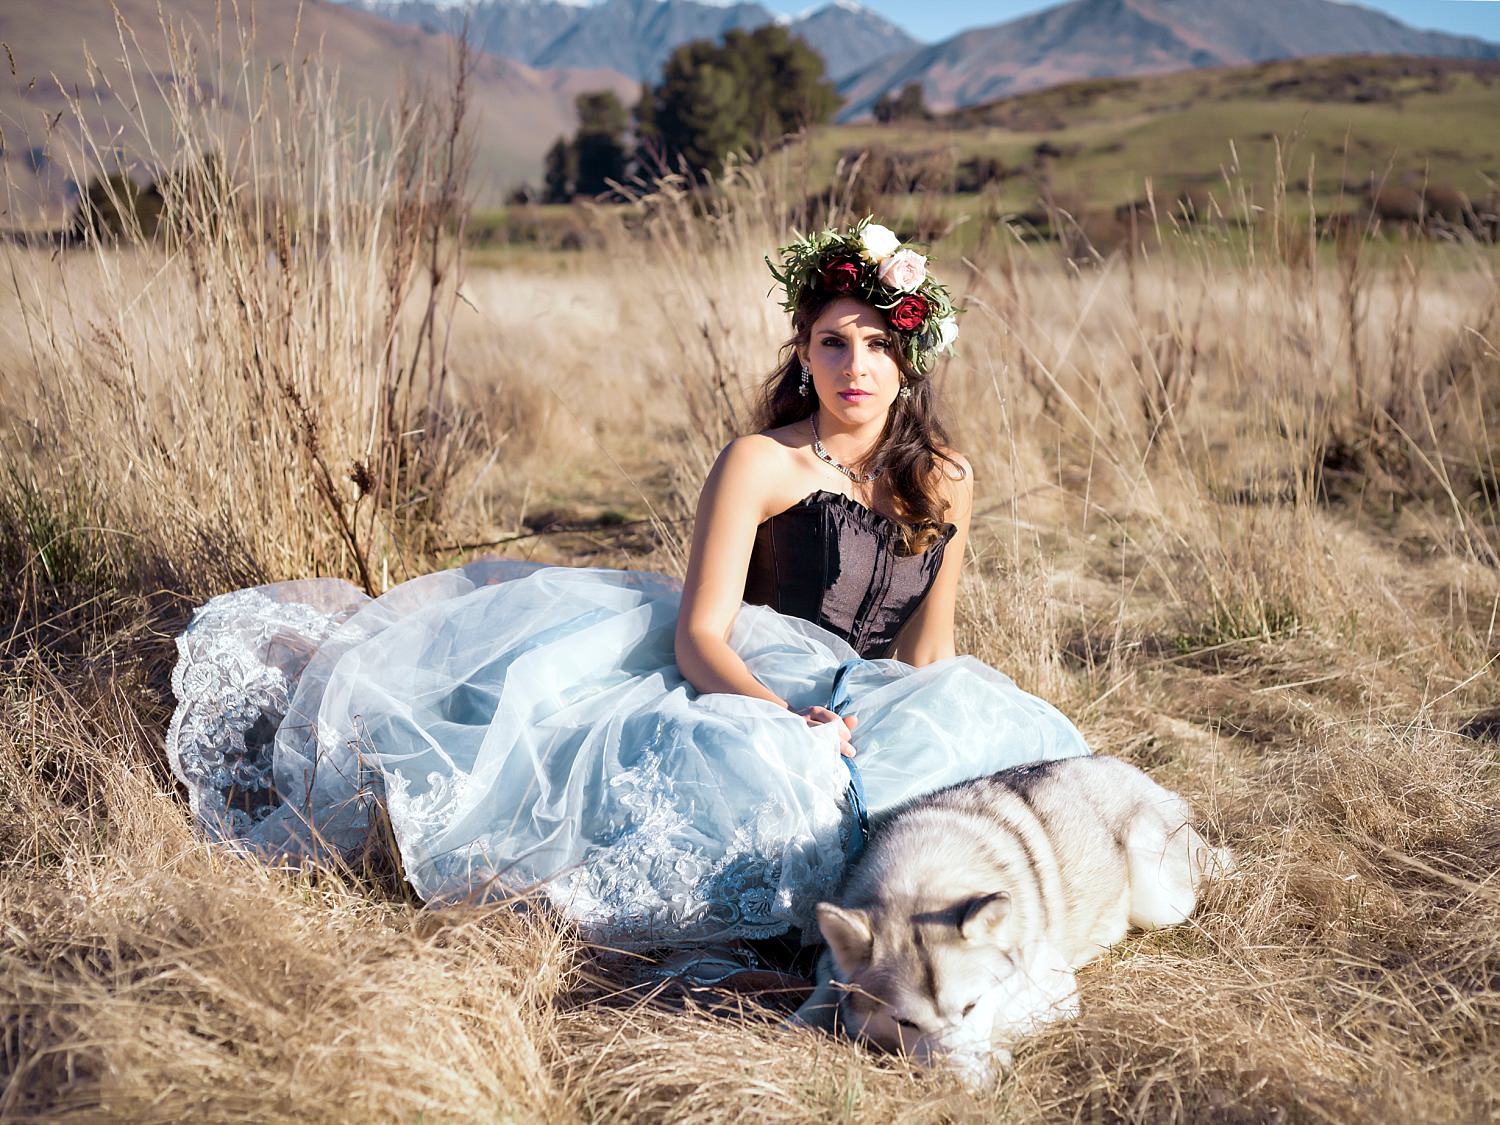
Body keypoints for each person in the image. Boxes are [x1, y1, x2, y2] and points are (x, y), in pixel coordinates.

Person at [166, 219, 1090, 952]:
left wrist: (942, 718)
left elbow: (931, 650)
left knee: (1010, 757)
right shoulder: (760, 462)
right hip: (746, 687)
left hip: (869, 700)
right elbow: (700, 636)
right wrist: (787, 722)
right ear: (804, 354)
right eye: (834, 343)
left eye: (879, 345)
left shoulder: (946, 478)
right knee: (770, 802)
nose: (857, 367)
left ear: (909, 359)